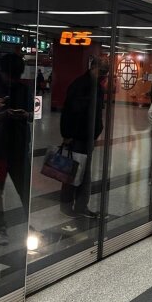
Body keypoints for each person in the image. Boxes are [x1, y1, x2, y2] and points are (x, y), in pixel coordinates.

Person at [0, 54, 33, 245]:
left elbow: (34, 114)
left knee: (2, 188)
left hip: (10, 146)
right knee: (0, 188)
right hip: (2, 147)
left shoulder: (23, 89)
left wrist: (25, 114)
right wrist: (1, 114)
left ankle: (2, 227)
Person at [60, 56, 109, 219]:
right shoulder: (80, 85)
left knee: (84, 173)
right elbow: (69, 111)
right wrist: (67, 135)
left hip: (88, 137)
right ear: (93, 67)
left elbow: (97, 114)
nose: (104, 75)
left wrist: (96, 133)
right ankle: (67, 205)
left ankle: (81, 205)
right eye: (102, 71)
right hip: (77, 136)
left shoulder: (97, 88)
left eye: (106, 73)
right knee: (73, 172)